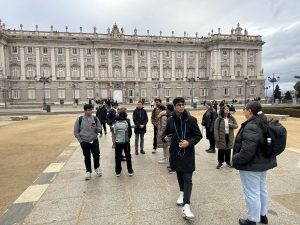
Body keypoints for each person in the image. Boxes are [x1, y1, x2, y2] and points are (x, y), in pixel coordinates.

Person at [232, 101, 277, 225]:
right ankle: (263, 215)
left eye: (245, 109)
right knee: (262, 190)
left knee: (252, 193)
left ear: (250, 111)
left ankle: (252, 219)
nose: (243, 111)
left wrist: (236, 158)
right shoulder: (262, 122)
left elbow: (247, 150)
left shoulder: (252, 125)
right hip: (262, 163)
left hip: (252, 165)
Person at [163, 97, 202, 220]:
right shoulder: (170, 121)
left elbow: (198, 135)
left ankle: (186, 205)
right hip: (175, 152)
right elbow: (166, 133)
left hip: (188, 153)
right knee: (179, 174)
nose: (181, 106)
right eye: (179, 105)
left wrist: (189, 142)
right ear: (174, 106)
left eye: (183, 104)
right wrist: (166, 137)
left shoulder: (191, 120)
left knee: (188, 178)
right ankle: (181, 192)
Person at [73, 104, 102, 180]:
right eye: (88, 110)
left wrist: (96, 128)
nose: (90, 111)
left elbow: (99, 129)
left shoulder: (95, 119)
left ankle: (97, 167)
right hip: (84, 141)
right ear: (85, 111)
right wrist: (81, 141)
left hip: (94, 140)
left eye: (91, 110)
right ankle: (88, 171)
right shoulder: (80, 119)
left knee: (96, 155)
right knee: (87, 157)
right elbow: (76, 132)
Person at [114, 110, 134, 177]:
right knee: (128, 156)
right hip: (126, 142)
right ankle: (130, 171)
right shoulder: (127, 121)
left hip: (118, 142)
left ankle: (118, 172)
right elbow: (130, 132)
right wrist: (128, 138)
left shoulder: (116, 121)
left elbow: (114, 132)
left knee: (118, 156)